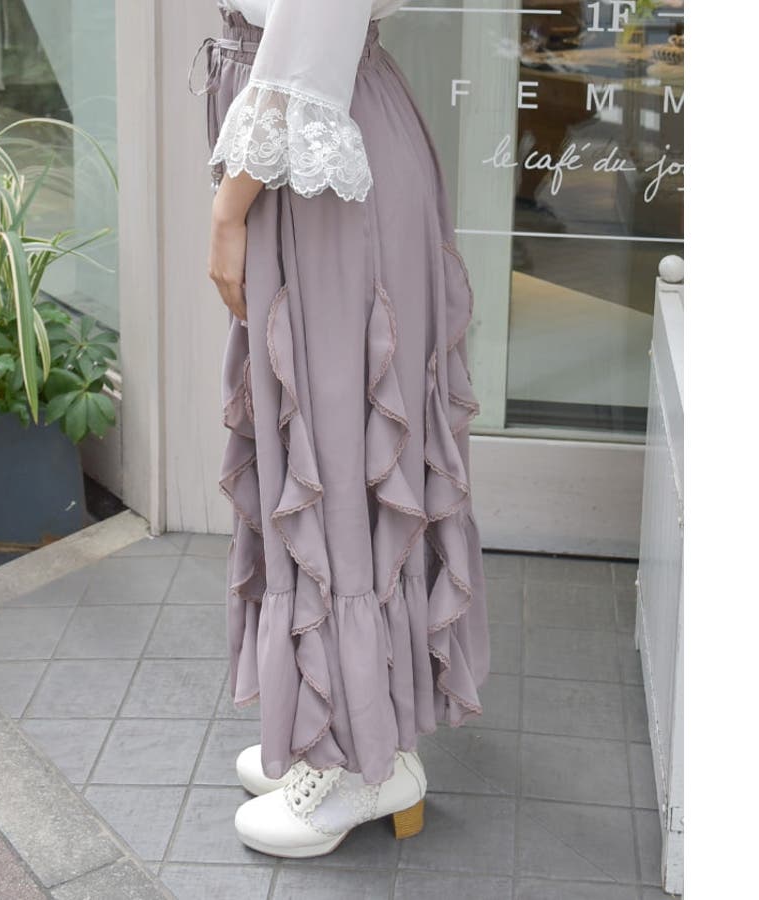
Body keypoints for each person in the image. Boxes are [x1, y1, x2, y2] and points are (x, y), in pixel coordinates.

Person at [189, 0, 491, 858]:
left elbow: (315, 29)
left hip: (322, 155)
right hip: (311, 148)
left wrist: (229, 207)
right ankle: (338, 727)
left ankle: (366, 763)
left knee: (336, 448)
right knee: (321, 439)